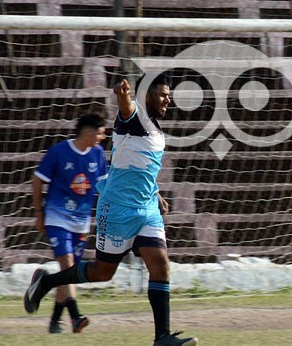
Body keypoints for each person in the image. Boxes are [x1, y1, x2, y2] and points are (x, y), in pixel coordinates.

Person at [24, 75, 198, 346]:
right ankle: (46, 283)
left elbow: (139, 168)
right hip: (117, 210)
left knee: (161, 266)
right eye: (163, 94)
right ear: (146, 95)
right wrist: (122, 94)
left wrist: (156, 193)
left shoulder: (153, 127)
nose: (168, 99)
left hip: (146, 209)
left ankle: (162, 337)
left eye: (169, 94)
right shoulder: (134, 116)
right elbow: (126, 106)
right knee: (103, 273)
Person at [31, 112, 107, 333]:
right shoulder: (58, 152)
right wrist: (39, 213)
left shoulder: (98, 154)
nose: (102, 138)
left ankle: (55, 321)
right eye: (101, 134)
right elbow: (37, 182)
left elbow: (104, 188)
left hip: (81, 222)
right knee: (67, 264)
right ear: (89, 133)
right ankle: (75, 317)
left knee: (69, 272)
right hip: (56, 217)